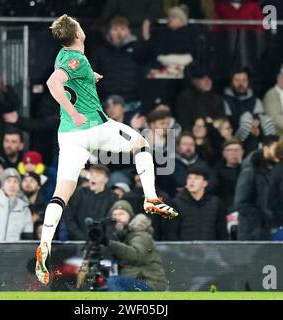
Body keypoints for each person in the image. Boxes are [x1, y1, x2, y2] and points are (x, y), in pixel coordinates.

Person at [36, 15, 178, 286]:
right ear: (78, 34)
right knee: (142, 144)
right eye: (79, 24)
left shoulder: (64, 55)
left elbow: (69, 77)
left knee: (61, 193)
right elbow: (54, 84)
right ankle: (150, 197)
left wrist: (90, 78)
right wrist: (74, 112)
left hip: (68, 137)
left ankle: (45, 244)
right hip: (93, 127)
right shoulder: (76, 59)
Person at [106, 202, 168, 292]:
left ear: (130, 217)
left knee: (115, 282)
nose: (117, 217)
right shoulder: (121, 236)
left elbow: (136, 255)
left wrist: (110, 244)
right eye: (114, 215)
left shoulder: (141, 234)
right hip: (134, 280)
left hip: (150, 283)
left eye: (121, 214)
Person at [91, 16, 145, 105]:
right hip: (106, 99)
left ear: (128, 31)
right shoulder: (100, 50)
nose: (119, 33)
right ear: (109, 31)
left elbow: (147, 63)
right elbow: (92, 71)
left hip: (132, 99)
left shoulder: (137, 48)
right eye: (115, 29)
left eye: (122, 29)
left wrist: (146, 39)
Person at [234, 135, 279, 240]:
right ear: (266, 148)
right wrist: (263, 217)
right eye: (276, 149)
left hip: (271, 230)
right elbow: (240, 203)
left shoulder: (276, 170)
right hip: (252, 233)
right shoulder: (250, 170)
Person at [167, 166, 228, 240]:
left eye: (197, 178)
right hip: (184, 250)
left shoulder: (216, 203)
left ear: (205, 183)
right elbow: (171, 234)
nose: (192, 181)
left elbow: (222, 232)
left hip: (210, 250)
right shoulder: (176, 203)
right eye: (189, 178)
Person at [63, 164, 118, 240]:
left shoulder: (113, 197)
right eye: (91, 174)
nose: (93, 177)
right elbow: (69, 218)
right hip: (78, 241)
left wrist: (102, 239)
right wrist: (82, 237)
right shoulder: (79, 193)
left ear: (106, 179)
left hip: (102, 243)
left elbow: (111, 222)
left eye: (98, 175)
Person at [157, 132, 212, 198]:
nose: (188, 147)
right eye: (185, 144)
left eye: (192, 145)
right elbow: (167, 185)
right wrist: (197, 186)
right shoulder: (167, 164)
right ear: (177, 147)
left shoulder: (202, 164)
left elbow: (213, 182)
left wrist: (192, 189)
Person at [175, 66, 226, 131]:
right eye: (203, 78)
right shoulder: (184, 98)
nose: (208, 81)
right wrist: (206, 122)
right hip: (190, 135)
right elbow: (182, 123)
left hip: (213, 135)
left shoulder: (218, 99)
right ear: (194, 81)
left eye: (210, 78)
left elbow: (221, 121)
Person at [214, 139, 244, 212]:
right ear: (224, 153)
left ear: (242, 152)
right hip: (226, 207)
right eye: (230, 150)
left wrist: (241, 165)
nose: (234, 153)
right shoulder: (217, 171)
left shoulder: (249, 169)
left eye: (237, 150)